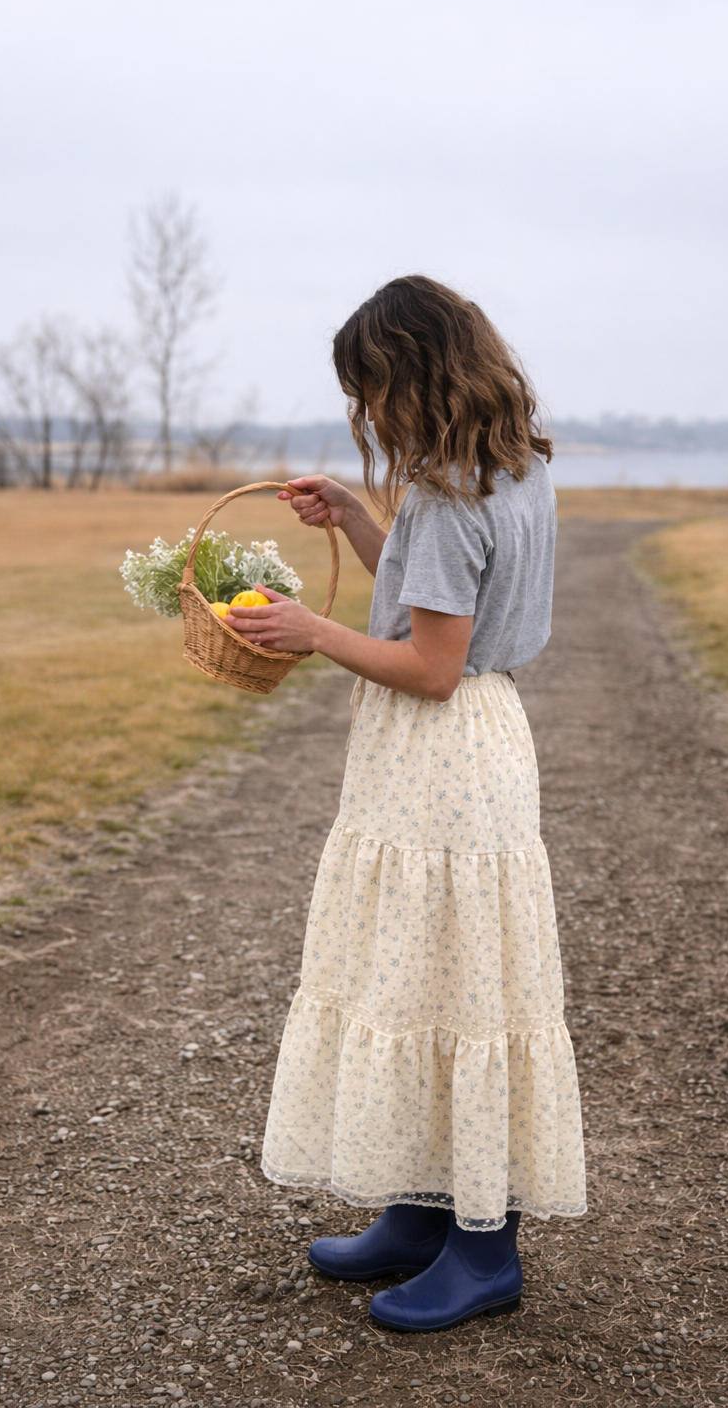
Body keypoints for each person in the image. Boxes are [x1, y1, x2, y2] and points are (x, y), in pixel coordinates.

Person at [224, 275, 585, 1332]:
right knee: (435, 977)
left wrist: (309, 631)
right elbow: (439, 615)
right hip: (483, 741)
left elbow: (426, 665)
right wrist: (351, 517)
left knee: (457, 989)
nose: (366, 415)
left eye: (370, 390)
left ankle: (482, 1251)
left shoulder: (446, 496)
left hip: (436, 751)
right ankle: (425, 1216)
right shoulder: (508, 470)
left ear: (411, 378)